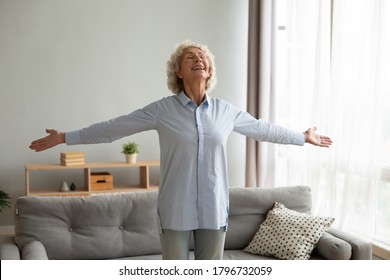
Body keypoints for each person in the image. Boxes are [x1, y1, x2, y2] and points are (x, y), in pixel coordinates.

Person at [29, 40, 332, 260]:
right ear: (178, 71)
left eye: (202, 56)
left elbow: (263, 128)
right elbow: (115, 127)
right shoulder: (162, 110)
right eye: (190, 57)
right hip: (175, 209)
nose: (198, 58)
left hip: (214, 208)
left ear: (209, 69)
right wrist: (66, 137)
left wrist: (302, 136)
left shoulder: (225, 112)